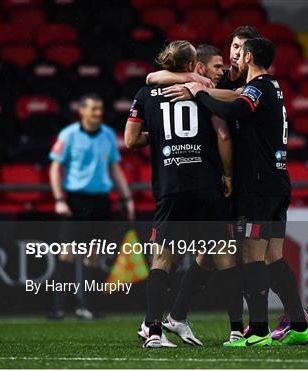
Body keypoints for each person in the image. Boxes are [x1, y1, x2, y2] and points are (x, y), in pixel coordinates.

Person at [187, 37, 308, 346]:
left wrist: (200, 95)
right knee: (273, 255)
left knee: (251, 252)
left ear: (249, 56)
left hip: (258, 184)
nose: (236, 57)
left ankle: (258, 331)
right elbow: (235, 96)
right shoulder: (273, 87)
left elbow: (236, 110)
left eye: (240, 52)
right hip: (277, 181)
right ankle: (299, 325)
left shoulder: (258, 87)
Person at [124, 40, 243, 348]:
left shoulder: (146, 94)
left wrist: (162, 134)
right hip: (205, 183)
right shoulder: (201, 92)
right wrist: (228, 175)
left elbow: (130, 140)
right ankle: (236, 331)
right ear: (193, 65)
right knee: (222, 253)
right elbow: (222, 133)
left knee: (163, 258)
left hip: (170, 185)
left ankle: (153, 331)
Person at [48, 93, 135, 320]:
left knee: (93, 256)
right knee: (66, 254)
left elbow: (114, 168)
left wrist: (127, 198)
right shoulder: (68, 135)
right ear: (82, 111)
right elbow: (55, 169)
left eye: (100, 109)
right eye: (93, 109)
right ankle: (59, 307)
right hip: (76, 200)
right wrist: (59, 200)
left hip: (100, 201)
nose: (98, 113)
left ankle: (87, 306)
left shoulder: (107, 135)